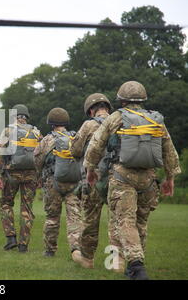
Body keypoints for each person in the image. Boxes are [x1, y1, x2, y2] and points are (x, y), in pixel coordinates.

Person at [84, 81, 181, 280]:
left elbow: (95, 146)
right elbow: (169, 151)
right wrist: (169, 178)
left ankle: (136, 265)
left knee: (125, 221)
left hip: (122, 176)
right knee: (141, 223)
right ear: (143, 99)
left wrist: (90, 170)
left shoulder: (116, 118)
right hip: (149, 179)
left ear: (121, 100)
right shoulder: (155, 119)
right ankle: (134, 266)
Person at [69, 93, 119, 270]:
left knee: (90, 221)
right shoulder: (119, 121)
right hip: (117, 179)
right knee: (116, 221)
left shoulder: (88, 125)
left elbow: (74, 151)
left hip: (93, 180)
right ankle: (115, 262)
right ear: (107, 108)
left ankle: (88, 259)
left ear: (91, 110)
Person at [34, 107, 82, 259]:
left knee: (52, 217)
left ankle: (50, 250)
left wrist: (39, 176)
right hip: (74, 182)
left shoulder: (47, 140)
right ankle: (76, 248)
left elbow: (37, 160)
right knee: (74, 216)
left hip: (52, 182)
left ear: (51, 123)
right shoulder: (74, 137)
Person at [0, 104, 42, 252]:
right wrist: (39, 175)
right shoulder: (36, 132)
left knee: (6, 204)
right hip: (31, 174)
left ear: (14, 116)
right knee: (27, 208)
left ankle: (11, 238)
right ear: (26, 117)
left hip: (11, 174)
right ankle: (23, 245)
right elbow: (42, 155)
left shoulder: (8, 131)